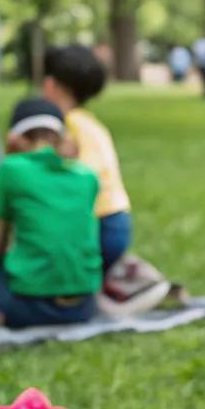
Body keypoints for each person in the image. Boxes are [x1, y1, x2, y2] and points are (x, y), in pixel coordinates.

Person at [0, 97, 101, 329]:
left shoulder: (12, 169)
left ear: (14, 139)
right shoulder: (87, 176)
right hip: (84, 307)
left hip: (32, 305)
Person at [41, 44, 132, 273]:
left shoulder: (72, 126)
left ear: (51, 86)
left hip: (101, 226)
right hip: (117, 220)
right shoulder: (90, 123)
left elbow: (85, 179)